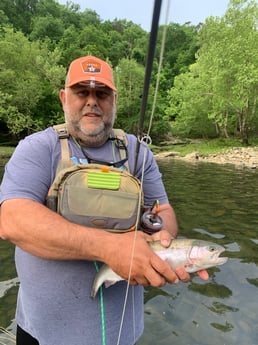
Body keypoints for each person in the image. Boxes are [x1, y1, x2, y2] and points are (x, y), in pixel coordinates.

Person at [0, 55, 207, 345]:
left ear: (114, 100)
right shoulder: (36, 148)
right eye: (82, 92)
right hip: (43, 336)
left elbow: (165, 212)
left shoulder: (139, 153)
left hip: (123, 334)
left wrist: (162, 240)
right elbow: (12, 221)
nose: (92, 101)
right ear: (64, 97)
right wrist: (111, 248)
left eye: (102, 93)